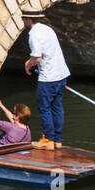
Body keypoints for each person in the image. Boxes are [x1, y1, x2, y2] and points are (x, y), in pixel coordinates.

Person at [23, 10, 70, 150]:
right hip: (61, 74)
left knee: (44, 108)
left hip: (49, 78)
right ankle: (57, 140)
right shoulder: (47, 29)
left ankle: (48, 140)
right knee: (56, 106)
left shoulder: (34, 35)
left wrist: (27, 64)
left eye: (23, 19)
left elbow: (37, 58)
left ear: (27, 19)